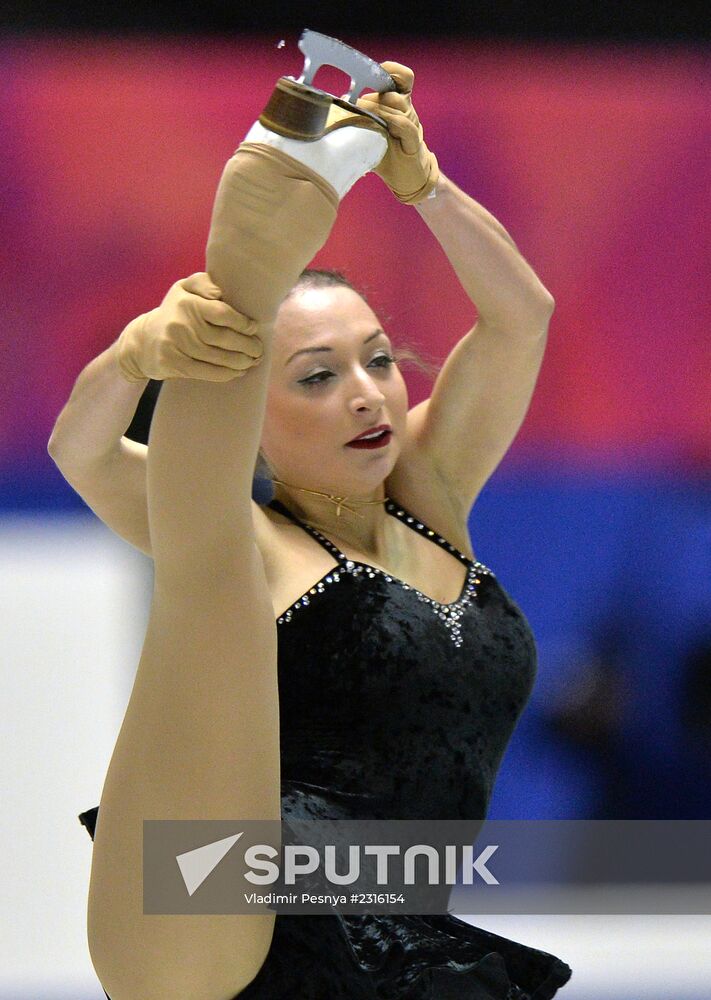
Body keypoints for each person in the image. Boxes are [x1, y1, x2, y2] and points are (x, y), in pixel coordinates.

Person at [49, 56, 572, 1000]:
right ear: (253, 410)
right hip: (212, 898)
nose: (367, 393)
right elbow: (81, 450)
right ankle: (251, 247)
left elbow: (521, 316)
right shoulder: (244, 531)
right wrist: (135, 356)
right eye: (318, 376)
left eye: (376, 359)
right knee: (212, 563)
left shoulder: (432, 492)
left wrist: (426, 187)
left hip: (391, 941)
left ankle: (265, 225)